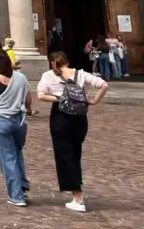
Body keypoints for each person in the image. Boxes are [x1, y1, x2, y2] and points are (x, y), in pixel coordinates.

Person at [37, 51, 109, 213]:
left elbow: (40, 95)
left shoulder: (48, 76)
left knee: (65, 156)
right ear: (67, 62)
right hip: (80, 118)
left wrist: (60, 98)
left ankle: (78, 197)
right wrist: (94, 101)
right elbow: (104, 85)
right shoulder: (80, 74)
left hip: (60, 117)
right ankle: (77, 191)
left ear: (53, 63)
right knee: (75, 153)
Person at [0, 51, 32, 206]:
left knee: (8, 157)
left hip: (3, 120)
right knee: (17, 152)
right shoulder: (22, 77)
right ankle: (23, 185)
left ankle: (16, 195)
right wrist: (28, 109)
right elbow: (28, 99)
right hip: (20, 121)